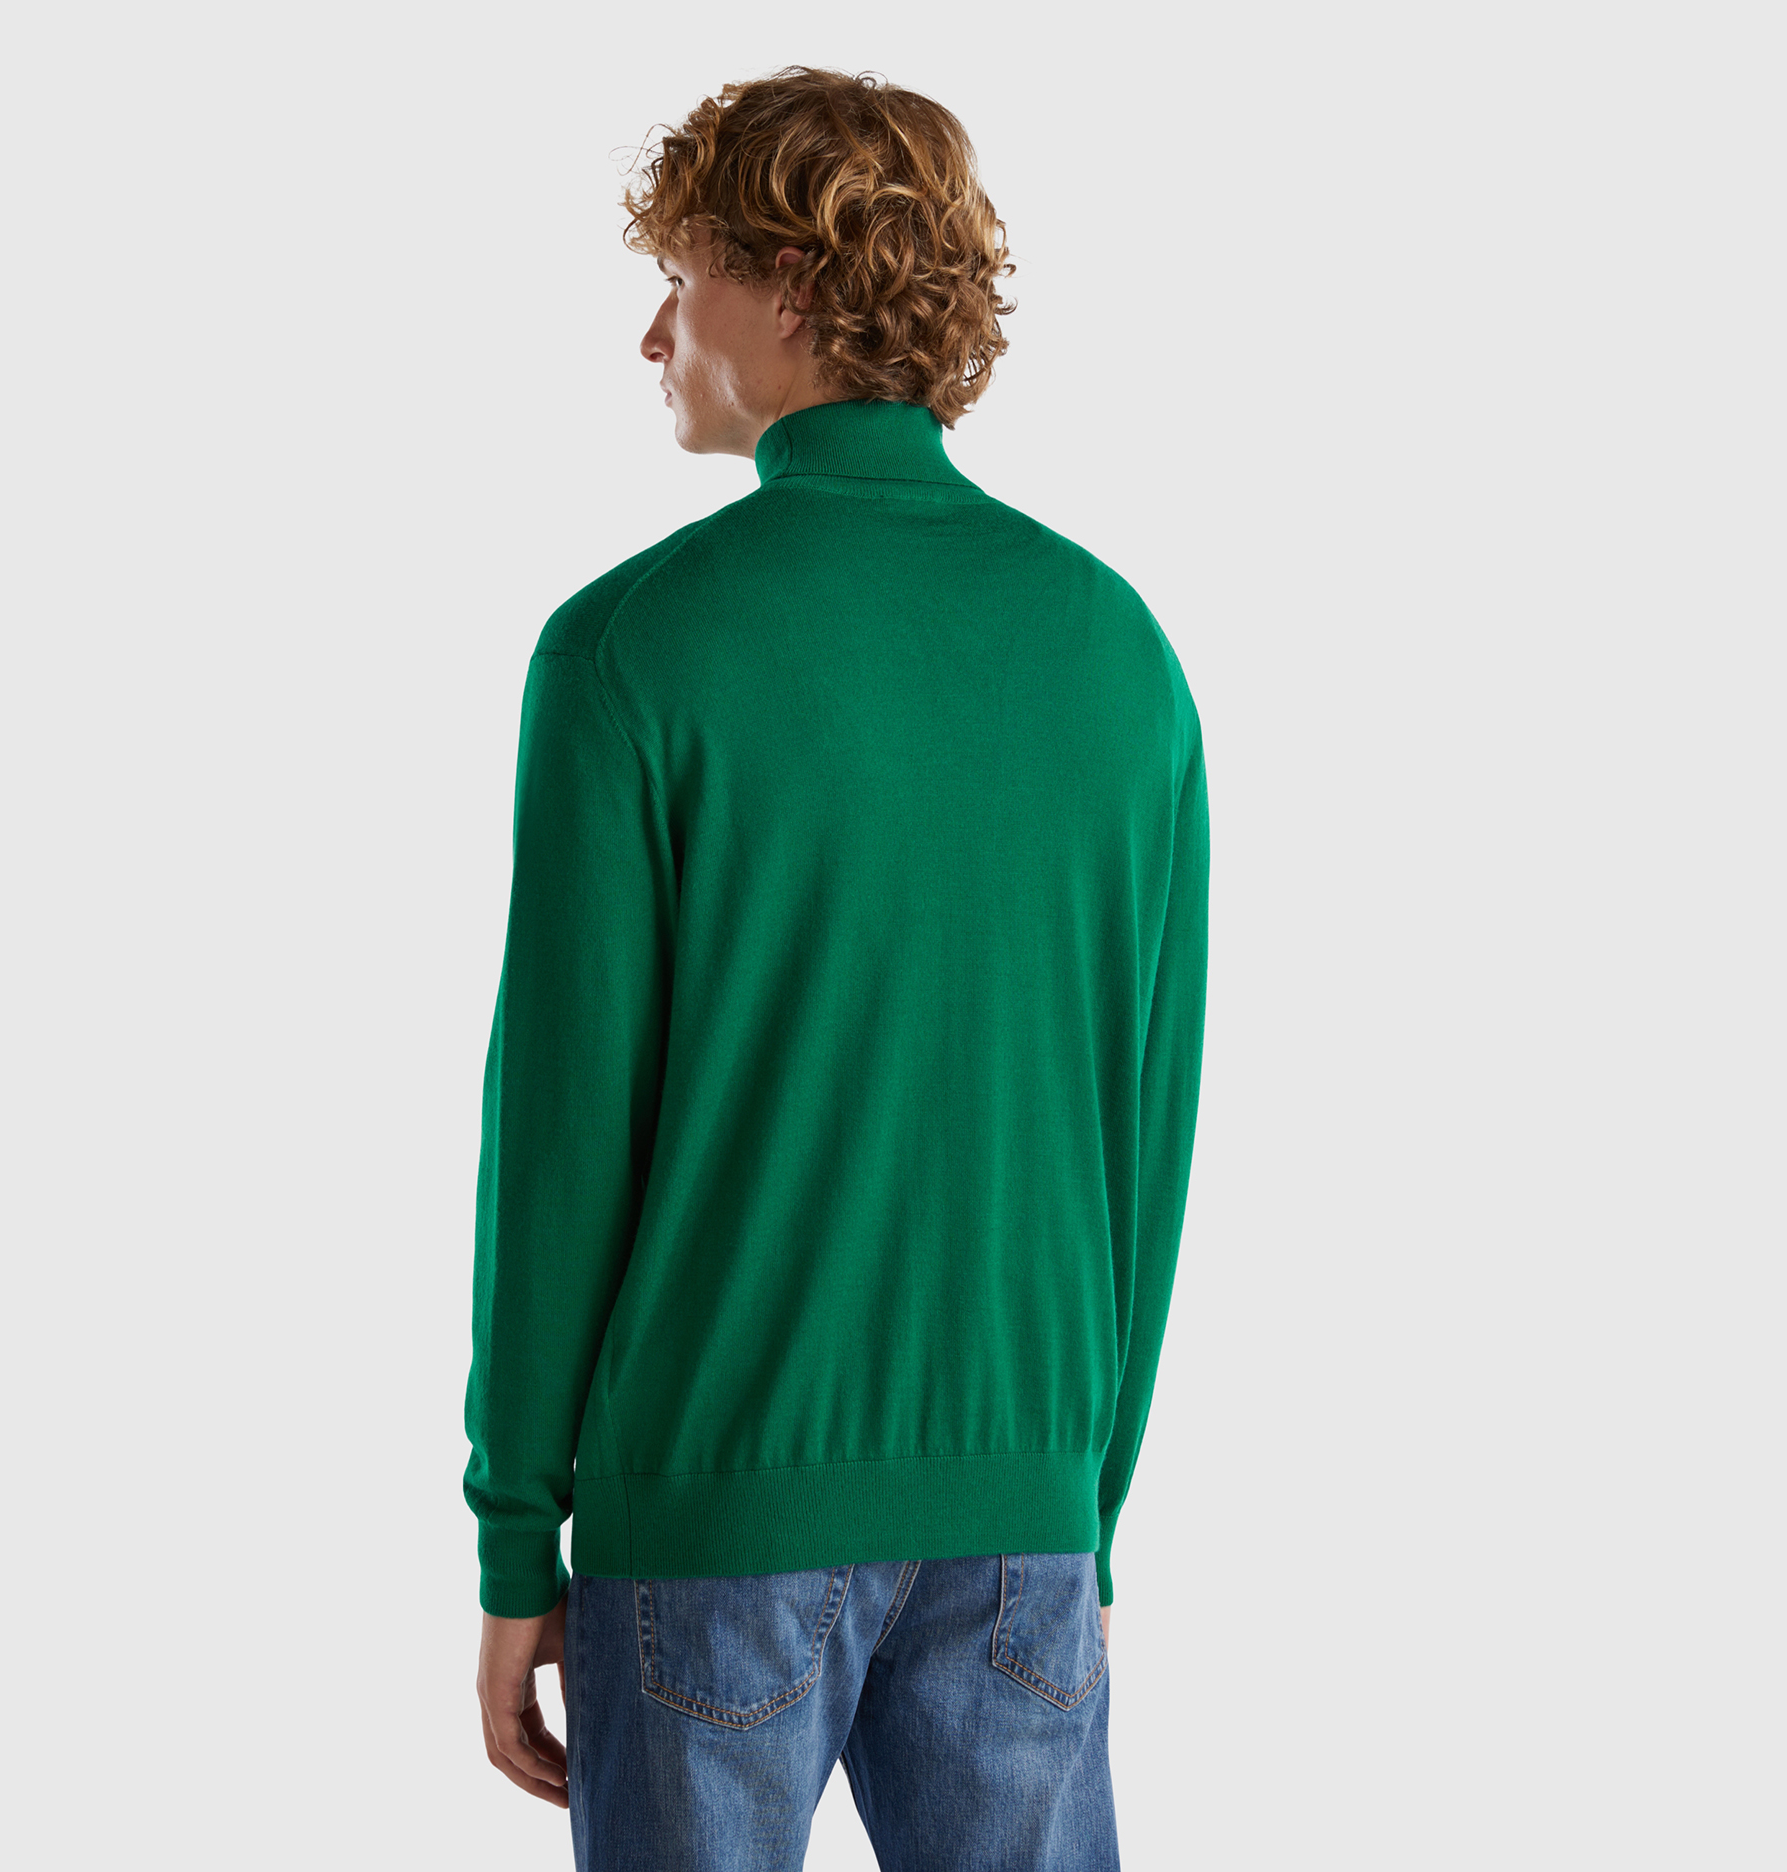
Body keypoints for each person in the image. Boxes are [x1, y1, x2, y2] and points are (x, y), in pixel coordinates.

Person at [463, 65, 1208, 1869]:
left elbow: (560, 1142)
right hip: (1022, 1518)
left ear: (791, 287)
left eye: (681, 278)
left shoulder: (630, 651)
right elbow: (1150, 1137)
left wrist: (514, 1538)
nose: (654, 333)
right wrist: (1087, 1504)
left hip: (710, 1522)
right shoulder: (1118, 651)